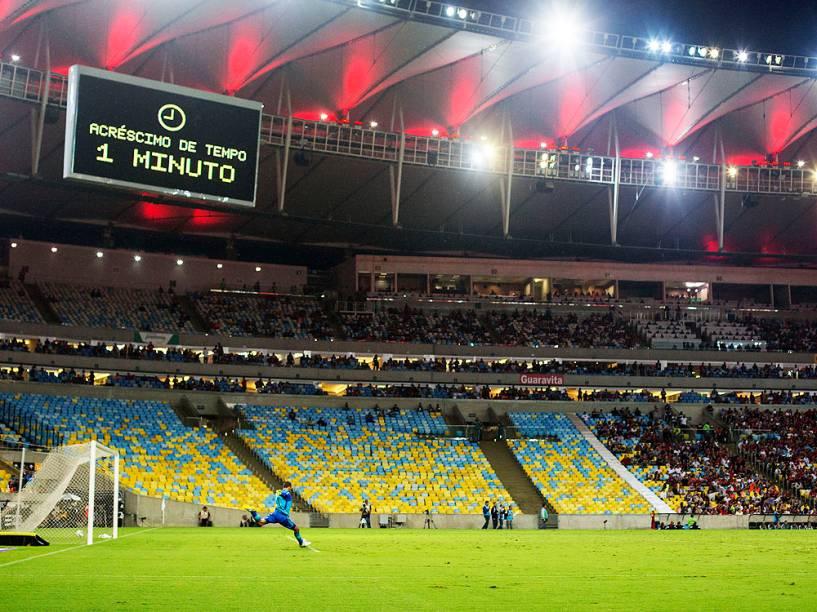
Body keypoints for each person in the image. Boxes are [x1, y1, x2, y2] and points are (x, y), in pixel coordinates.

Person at [247, 481, 311, 548]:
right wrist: (286, 514)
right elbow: (288, 504)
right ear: (289, 487)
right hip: (282, 516)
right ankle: (301, 543)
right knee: (296, 529)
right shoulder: (287, 494)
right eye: (290, 488)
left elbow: (280, 497)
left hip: (275, 513)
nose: (290, 489)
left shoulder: (278, 492)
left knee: (260, 523)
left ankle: (253, 512)